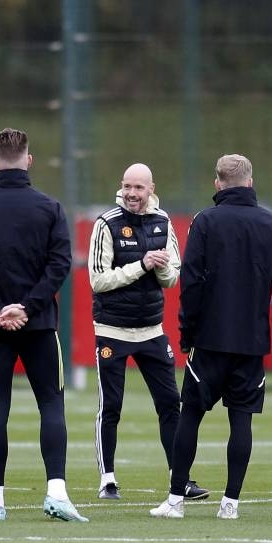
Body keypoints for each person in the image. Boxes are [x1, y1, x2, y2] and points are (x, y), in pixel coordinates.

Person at [150, 154, 272, 520]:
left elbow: (191, 283)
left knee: (191, 416)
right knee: (242, 420)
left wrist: (187, 332)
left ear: (217, 184)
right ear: (251, 182)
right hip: (251, 342)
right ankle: (230, 504)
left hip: (210, 340)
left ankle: (175, 501)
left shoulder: (205, 221)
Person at [0, 127, 87, 522]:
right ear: (29, 160)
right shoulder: (49, 207)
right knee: (51, 403)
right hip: (40, 324)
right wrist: (27, 307)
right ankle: (57, 493)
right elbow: (59, 265)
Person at [89, 163, 209, 501]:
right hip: (112, 330)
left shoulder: (163, 221)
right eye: (127, 186)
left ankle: (180, 479)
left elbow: (173, 278)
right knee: (110, 405)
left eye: (138, 188)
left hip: (152, 330)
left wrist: (161, 267)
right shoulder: (106, 223)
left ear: (150, 189)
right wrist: (141, 264)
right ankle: (107, 479)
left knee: (171, 403)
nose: (131, 193)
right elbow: (98, 280)